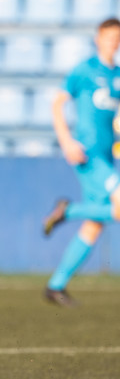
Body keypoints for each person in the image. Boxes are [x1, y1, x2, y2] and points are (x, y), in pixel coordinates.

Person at [43, 17, 120, 307]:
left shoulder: (118, 76)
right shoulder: (85, 70)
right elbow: (58, 102)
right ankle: (68, 210)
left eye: (117, 37)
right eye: (108, 36)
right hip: (87, 153)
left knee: (95, 224)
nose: (113, 41)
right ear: (98, 38)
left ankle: (55, 286)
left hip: (107, 156)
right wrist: (66, 140)